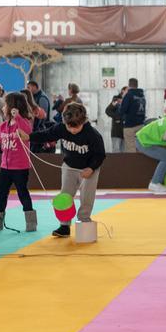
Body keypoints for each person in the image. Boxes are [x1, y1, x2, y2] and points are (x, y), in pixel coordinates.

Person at [30, 102, 107, 238]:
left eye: (76, 127)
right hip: (69, 167)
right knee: (65, 195)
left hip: (89, 169)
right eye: (69, 127)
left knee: (87, 197)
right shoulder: (61, 128)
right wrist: (29, 137)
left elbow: (100, 154)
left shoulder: (92, 134)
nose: (72, 130)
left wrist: (91, 168)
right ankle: (64, 225)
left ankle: (84, 219)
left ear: (83, 121)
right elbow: (47, 135)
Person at [0, 92, 37, 232]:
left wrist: (19, 118)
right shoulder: (4, 126)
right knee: (2, 194)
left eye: (5, 105)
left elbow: (28, 132)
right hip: (5, 167)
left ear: (13, 107)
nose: (3, 108)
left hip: (20, 167)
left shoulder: (24, 123)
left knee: (23, 193)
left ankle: (31, 222)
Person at [26, 80, 55, 153]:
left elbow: (43, 117)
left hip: (41, 129)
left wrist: (36, 128)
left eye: (29, 87)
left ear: (35, 87)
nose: (28, 89)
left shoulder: (42, 98)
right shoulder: (35, 97)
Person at [119, 77, 147, 153]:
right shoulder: (142, 95)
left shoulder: (128, 95)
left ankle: (133, 165)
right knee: (140, 147)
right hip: (141, 125)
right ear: (137, 85)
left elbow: (122, 110)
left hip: (130, 125)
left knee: (130, 148)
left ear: (129, 85)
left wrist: (123, 99)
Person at [104, 87, 127, 153]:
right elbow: (108, 111)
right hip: (117, 131)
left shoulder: (129, 100)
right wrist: (117, 117)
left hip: (126, 131)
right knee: (116, 151)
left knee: (125, 152)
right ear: (123, 91)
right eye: (127, 90)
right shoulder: (116, 99)